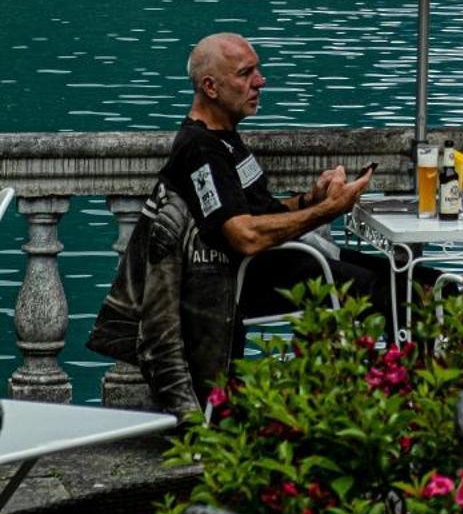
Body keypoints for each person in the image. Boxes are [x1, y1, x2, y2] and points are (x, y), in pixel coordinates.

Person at [89, 33, 383, 419]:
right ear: (210, 87)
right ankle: (387, 404)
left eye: (257, 70)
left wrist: (313, 199)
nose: (260, 81)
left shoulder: (225, 140)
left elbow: (258, 211)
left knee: (403, 275)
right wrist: (327, 213)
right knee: (388, 289)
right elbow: (243, 235)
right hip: (246, 280)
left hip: (282, 261)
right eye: (246, 73)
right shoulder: (200, 151)